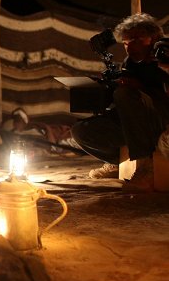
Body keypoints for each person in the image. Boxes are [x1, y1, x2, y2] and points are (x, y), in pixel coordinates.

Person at [71, 13, 169, 191]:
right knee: (81, 131)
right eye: (125, 43)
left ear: (154, 38)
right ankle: (119, 162)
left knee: (125, 94)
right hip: (137, 126)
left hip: (163, 124)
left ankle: (146, 167)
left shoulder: (166, 55)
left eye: (135, 40)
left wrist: (139, 88)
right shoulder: (131, 63)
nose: (129, 47)